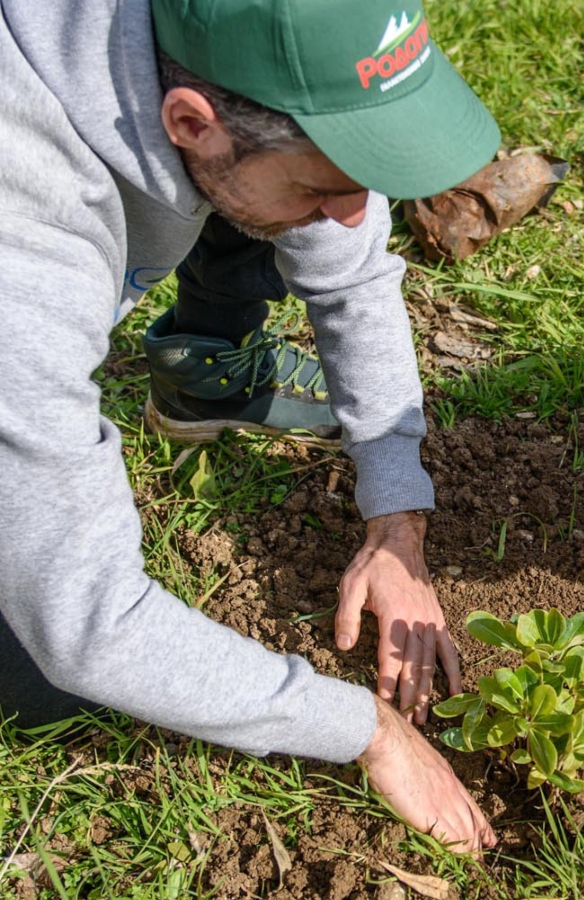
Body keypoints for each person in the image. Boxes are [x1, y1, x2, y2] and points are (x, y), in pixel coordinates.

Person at [0, 0, 504, 851]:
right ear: (189, 121)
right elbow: (89, 625)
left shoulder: (179, 46)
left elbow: (352, 279)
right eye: (325, 184)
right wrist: (369, 733)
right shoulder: (25, 258)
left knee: (260, 200)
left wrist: (396, 519)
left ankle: (210, 356)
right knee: (46, 684)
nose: (356, 218)